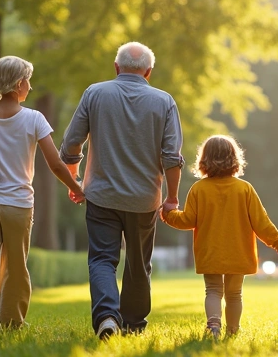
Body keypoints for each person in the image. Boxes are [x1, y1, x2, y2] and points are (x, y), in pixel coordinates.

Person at [59, 42, 184, 340]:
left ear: (116, 67)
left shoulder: (95, 93)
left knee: (102, 258)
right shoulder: (164, 101)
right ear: (149, 72)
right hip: (144, 200)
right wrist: (172, 198)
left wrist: (75, 179)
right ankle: (133, 323)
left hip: (102, 195)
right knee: (139, 264)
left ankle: (106, 317)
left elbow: (72, 142)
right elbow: (171, 156)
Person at [0, 56, 84, 342]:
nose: (30, 86)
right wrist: (76, 186)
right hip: (18, 205)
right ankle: (12, 324)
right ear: (18, 84)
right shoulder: (34, 118)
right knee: (15, 265)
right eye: (27, 80)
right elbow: (55, 164)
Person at [160, 135, 278, 338]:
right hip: (238, 252)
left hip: (210, 252)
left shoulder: (198, 189)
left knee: (212, 290)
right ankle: (232, 331)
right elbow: (261, 223)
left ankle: (213, 325)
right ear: (234, 159)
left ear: (204, 160)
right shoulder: (244, 189)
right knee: (234, 294)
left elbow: (187, 220)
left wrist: (169, 215)